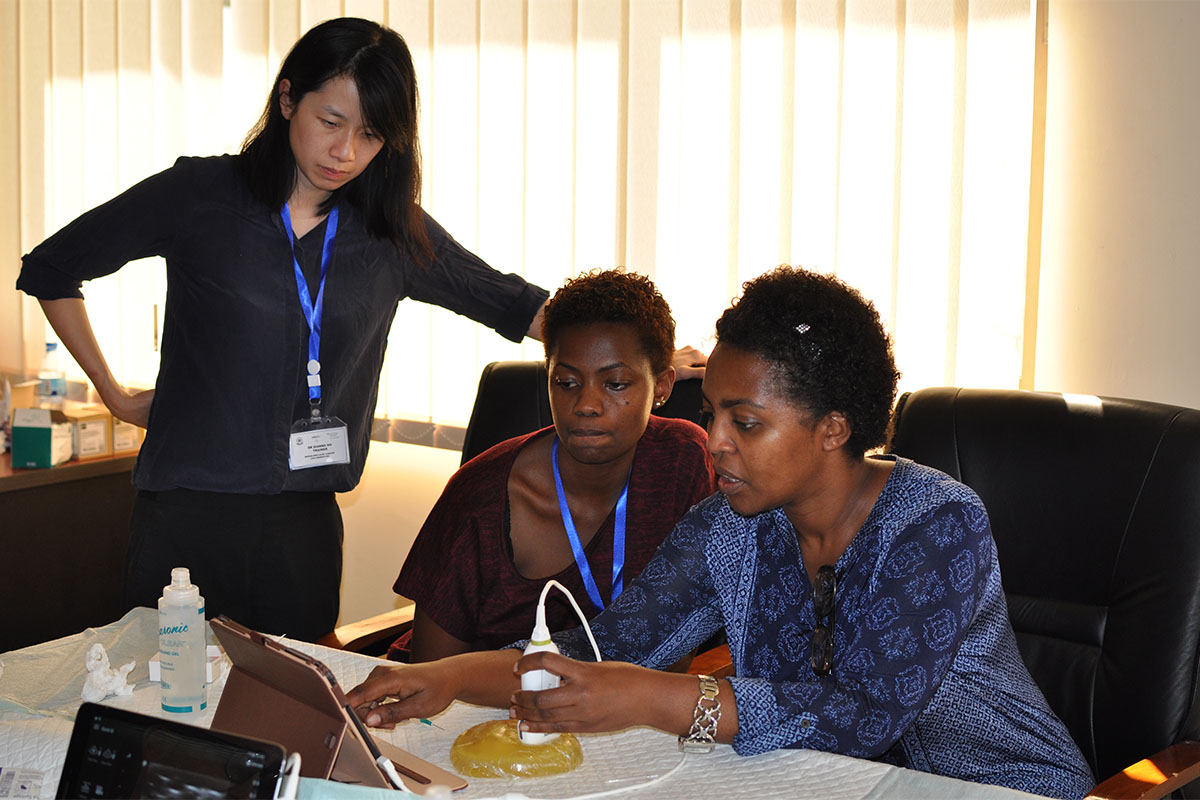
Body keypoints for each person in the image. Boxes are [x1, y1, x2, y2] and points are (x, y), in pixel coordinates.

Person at [14, 17, 703, 642]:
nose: (344, 151)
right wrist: (110, 390)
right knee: (164, 704)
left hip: (301, 522)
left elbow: (512, 303)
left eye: (371, 134)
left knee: (297, 707)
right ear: (289, 99)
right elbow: (51, 268)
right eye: (330, 120)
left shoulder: (389, 231)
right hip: (187, 511)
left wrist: (653, 350)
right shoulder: (198, 197)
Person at [346, 267, 1095, 799]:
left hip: (1002, 787)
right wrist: (442, 677)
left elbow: (856, 717)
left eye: (746, 422)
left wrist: (652, 698)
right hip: (817, 787)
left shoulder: (937, 525)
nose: (715, 442)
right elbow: (595, 654)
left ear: (833, 429)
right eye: (714, 415)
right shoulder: (730, 528)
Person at [392, 269, 716, 662]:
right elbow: (431, 675)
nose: (586, 405)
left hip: (625, 712)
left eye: (615, 384)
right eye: (566, 382)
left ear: (661, 386)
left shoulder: (683, 461)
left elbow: (679, 643)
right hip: (483, 710)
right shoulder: (480, 498)